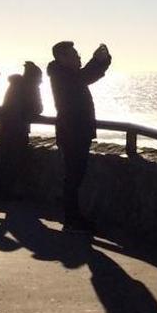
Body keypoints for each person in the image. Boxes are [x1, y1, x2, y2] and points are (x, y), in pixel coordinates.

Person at [47, 41, 111, 233]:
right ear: (62, 58)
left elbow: (85, 76)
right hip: (73, 133)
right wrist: (100, 61)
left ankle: (72, 217)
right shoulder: (63, 76)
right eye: (74, 54)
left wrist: (101, 61)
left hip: (74, 132)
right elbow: (86, 76)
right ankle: (72, 218)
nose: (78, 57)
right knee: (73, 177)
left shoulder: (65, 74)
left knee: (74, 176)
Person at [0, 61, 43, 197]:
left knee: (5, 159)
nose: (41, 81)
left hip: (4, 127)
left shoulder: (13, 86)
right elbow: (38, 108)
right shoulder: (30, 88)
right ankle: (9, 192)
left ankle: (2, 191)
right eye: (40, 78)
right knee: (15, 161)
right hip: (18, 129)